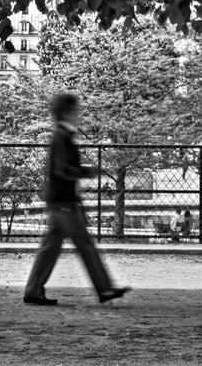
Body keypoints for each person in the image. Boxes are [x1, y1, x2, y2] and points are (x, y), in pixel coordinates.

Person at [24, 93, 130, 306]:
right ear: (68, 111)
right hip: (64, 201)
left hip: (60, 200)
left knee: (51, 247)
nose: (78, 114)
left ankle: (33, 290)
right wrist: (87, 172)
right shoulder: (63, 137)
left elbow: (60, 170)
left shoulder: (60, 136)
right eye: (75, 110)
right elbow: (63, 170)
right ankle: (105, 289)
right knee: (84, 244)